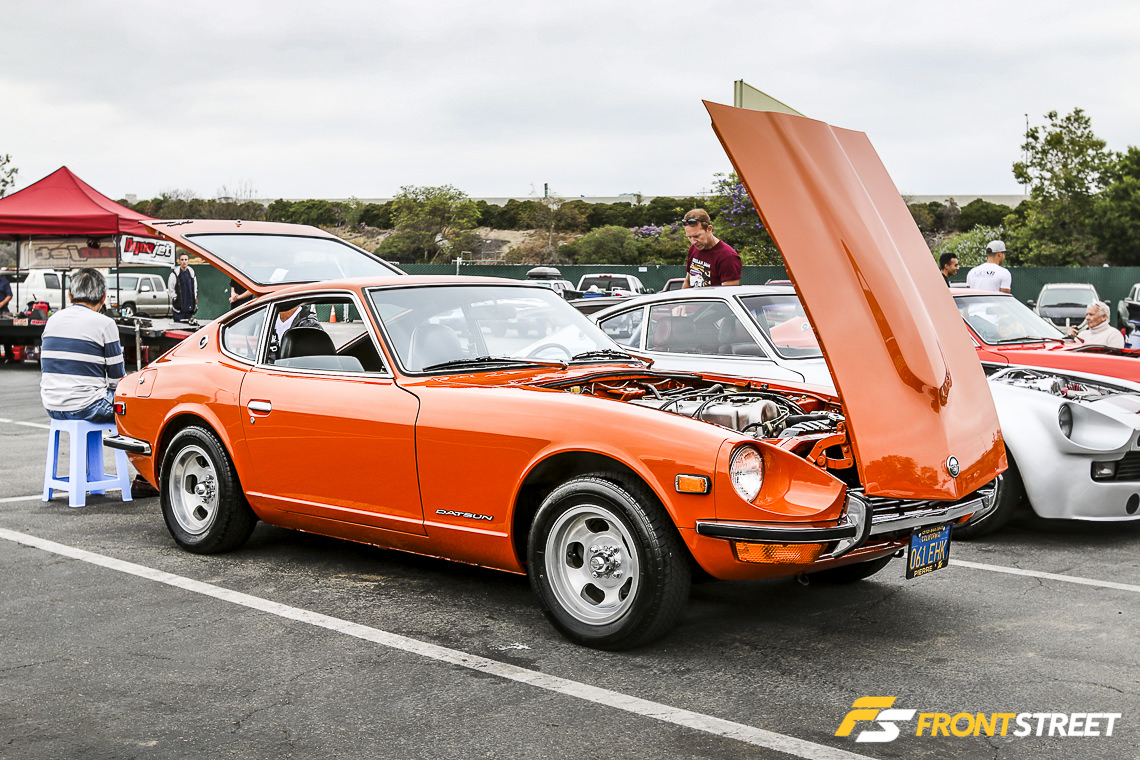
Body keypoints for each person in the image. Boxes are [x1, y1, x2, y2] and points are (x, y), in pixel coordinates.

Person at [39, 268, 125, 423]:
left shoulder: (52, 320)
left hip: (52, 406)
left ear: (70, 295)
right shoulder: (106, 324)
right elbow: (117, 381)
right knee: (135, 405)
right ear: (103, 297)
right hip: (88, 407)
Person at [680, 209, 741, 288]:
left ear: (709, 229)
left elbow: (729, 292)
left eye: (696, 236)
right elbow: (688, 281)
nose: (693, 242)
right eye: (689, 237)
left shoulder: (728, 257)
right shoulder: (693, 249)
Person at [167, 253, 198, 321]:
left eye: (186, 259)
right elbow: (171, 288)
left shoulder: (191, 273)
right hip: (179, 309)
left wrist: (195, 300)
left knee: (189, 327)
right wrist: (175, 299)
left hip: (189, 308)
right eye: (182, 260)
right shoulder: (175, 274)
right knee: (178, 326)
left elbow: (195, 288)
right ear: (179, 261)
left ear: (188, 261)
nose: (184, 261)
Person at [0, 274, 13, 362]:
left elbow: (9, 295)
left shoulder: (3, 281)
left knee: (6, 334)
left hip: (2, 311)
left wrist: (1, 303)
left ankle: (9, 355)